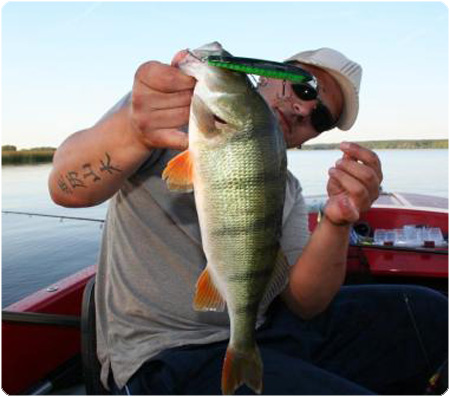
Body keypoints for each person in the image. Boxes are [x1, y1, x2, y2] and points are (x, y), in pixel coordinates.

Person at [49, 44, 448, 395]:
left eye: (321, 117)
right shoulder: (164, 122)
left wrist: (339, 220)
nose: (304, 108)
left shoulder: (286, 187)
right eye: (304, 87)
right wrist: (134, 134)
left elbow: (305, 303)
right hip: (164, 357)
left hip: (260, 331)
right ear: (270, 75)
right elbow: (66, 188)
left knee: (432, 314)